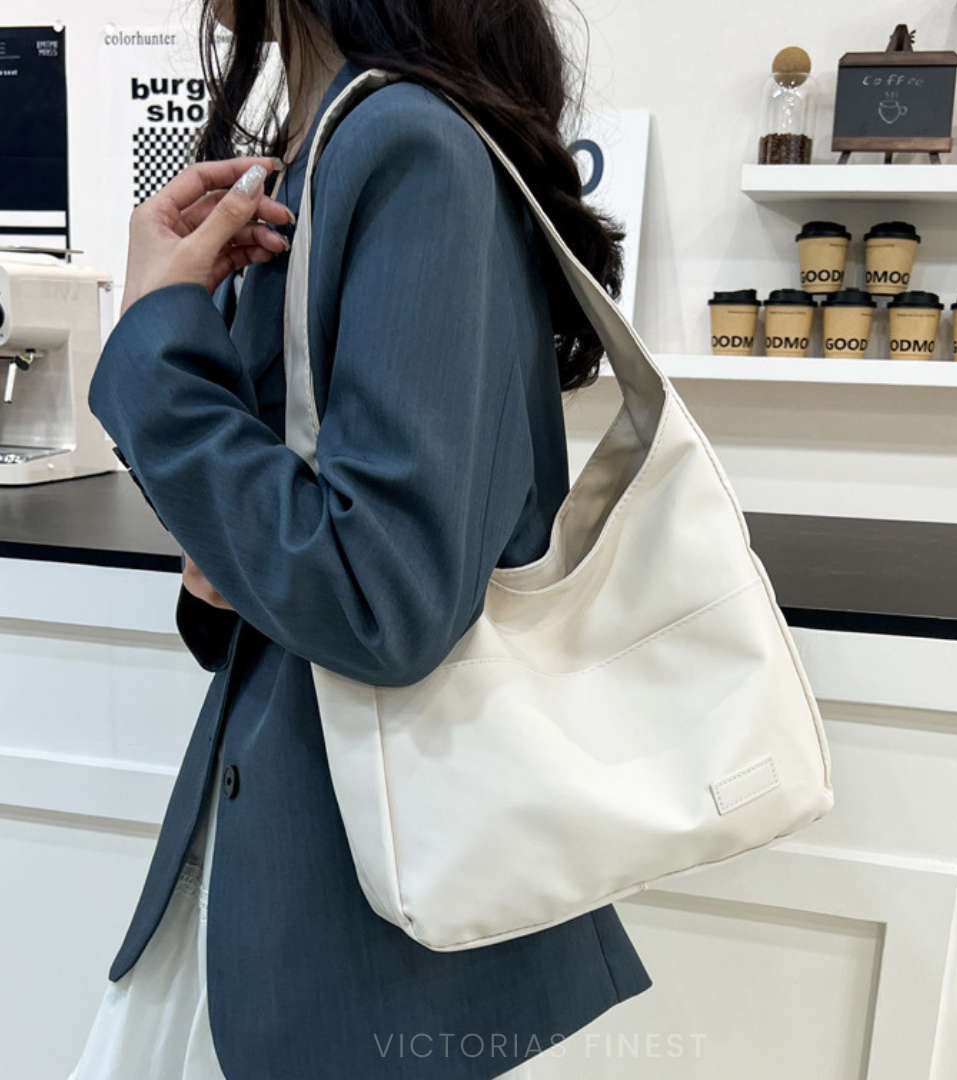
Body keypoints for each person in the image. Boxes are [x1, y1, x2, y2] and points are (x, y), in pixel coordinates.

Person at [69, 1, 653, 1078]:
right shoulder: (334, 148)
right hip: (304, 867)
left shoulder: (405, 144)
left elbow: (378, 601)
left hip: (358, 917)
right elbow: (265, 570)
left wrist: (154, 337)